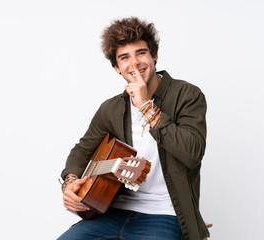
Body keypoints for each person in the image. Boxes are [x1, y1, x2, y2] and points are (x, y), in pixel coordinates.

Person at [58, 17, 210, 240]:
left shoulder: (187, 95)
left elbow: (193, 153)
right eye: (124, 57)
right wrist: (70, 183)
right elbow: (82, 151)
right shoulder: (111, 108)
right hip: (113, 212)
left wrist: (147, 107)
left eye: (141, 53)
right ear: (116, 67)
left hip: (164, 214)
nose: (134, 63)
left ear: (154, 56)